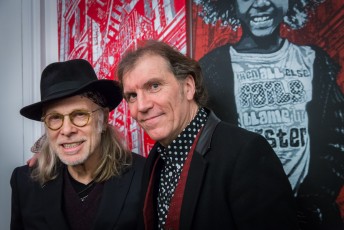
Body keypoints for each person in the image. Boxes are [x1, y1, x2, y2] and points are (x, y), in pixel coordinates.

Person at [116, 40, 299, 229]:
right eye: (132, 96)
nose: (142, 106)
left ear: (188, 87)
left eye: (154, 86)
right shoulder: (155, 160)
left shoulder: (246, 152)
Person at [196, 0, 344, 229]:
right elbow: (206, 150)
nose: (262, 3)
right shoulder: (211, 69)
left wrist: (313, 202)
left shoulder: (314, 60)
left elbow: (336, 139)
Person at [10, 59, 145, 230]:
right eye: (55, 118)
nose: (66, 130)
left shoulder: (144, 176)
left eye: (80, 115)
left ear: (103, 120)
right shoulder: (25, 183)